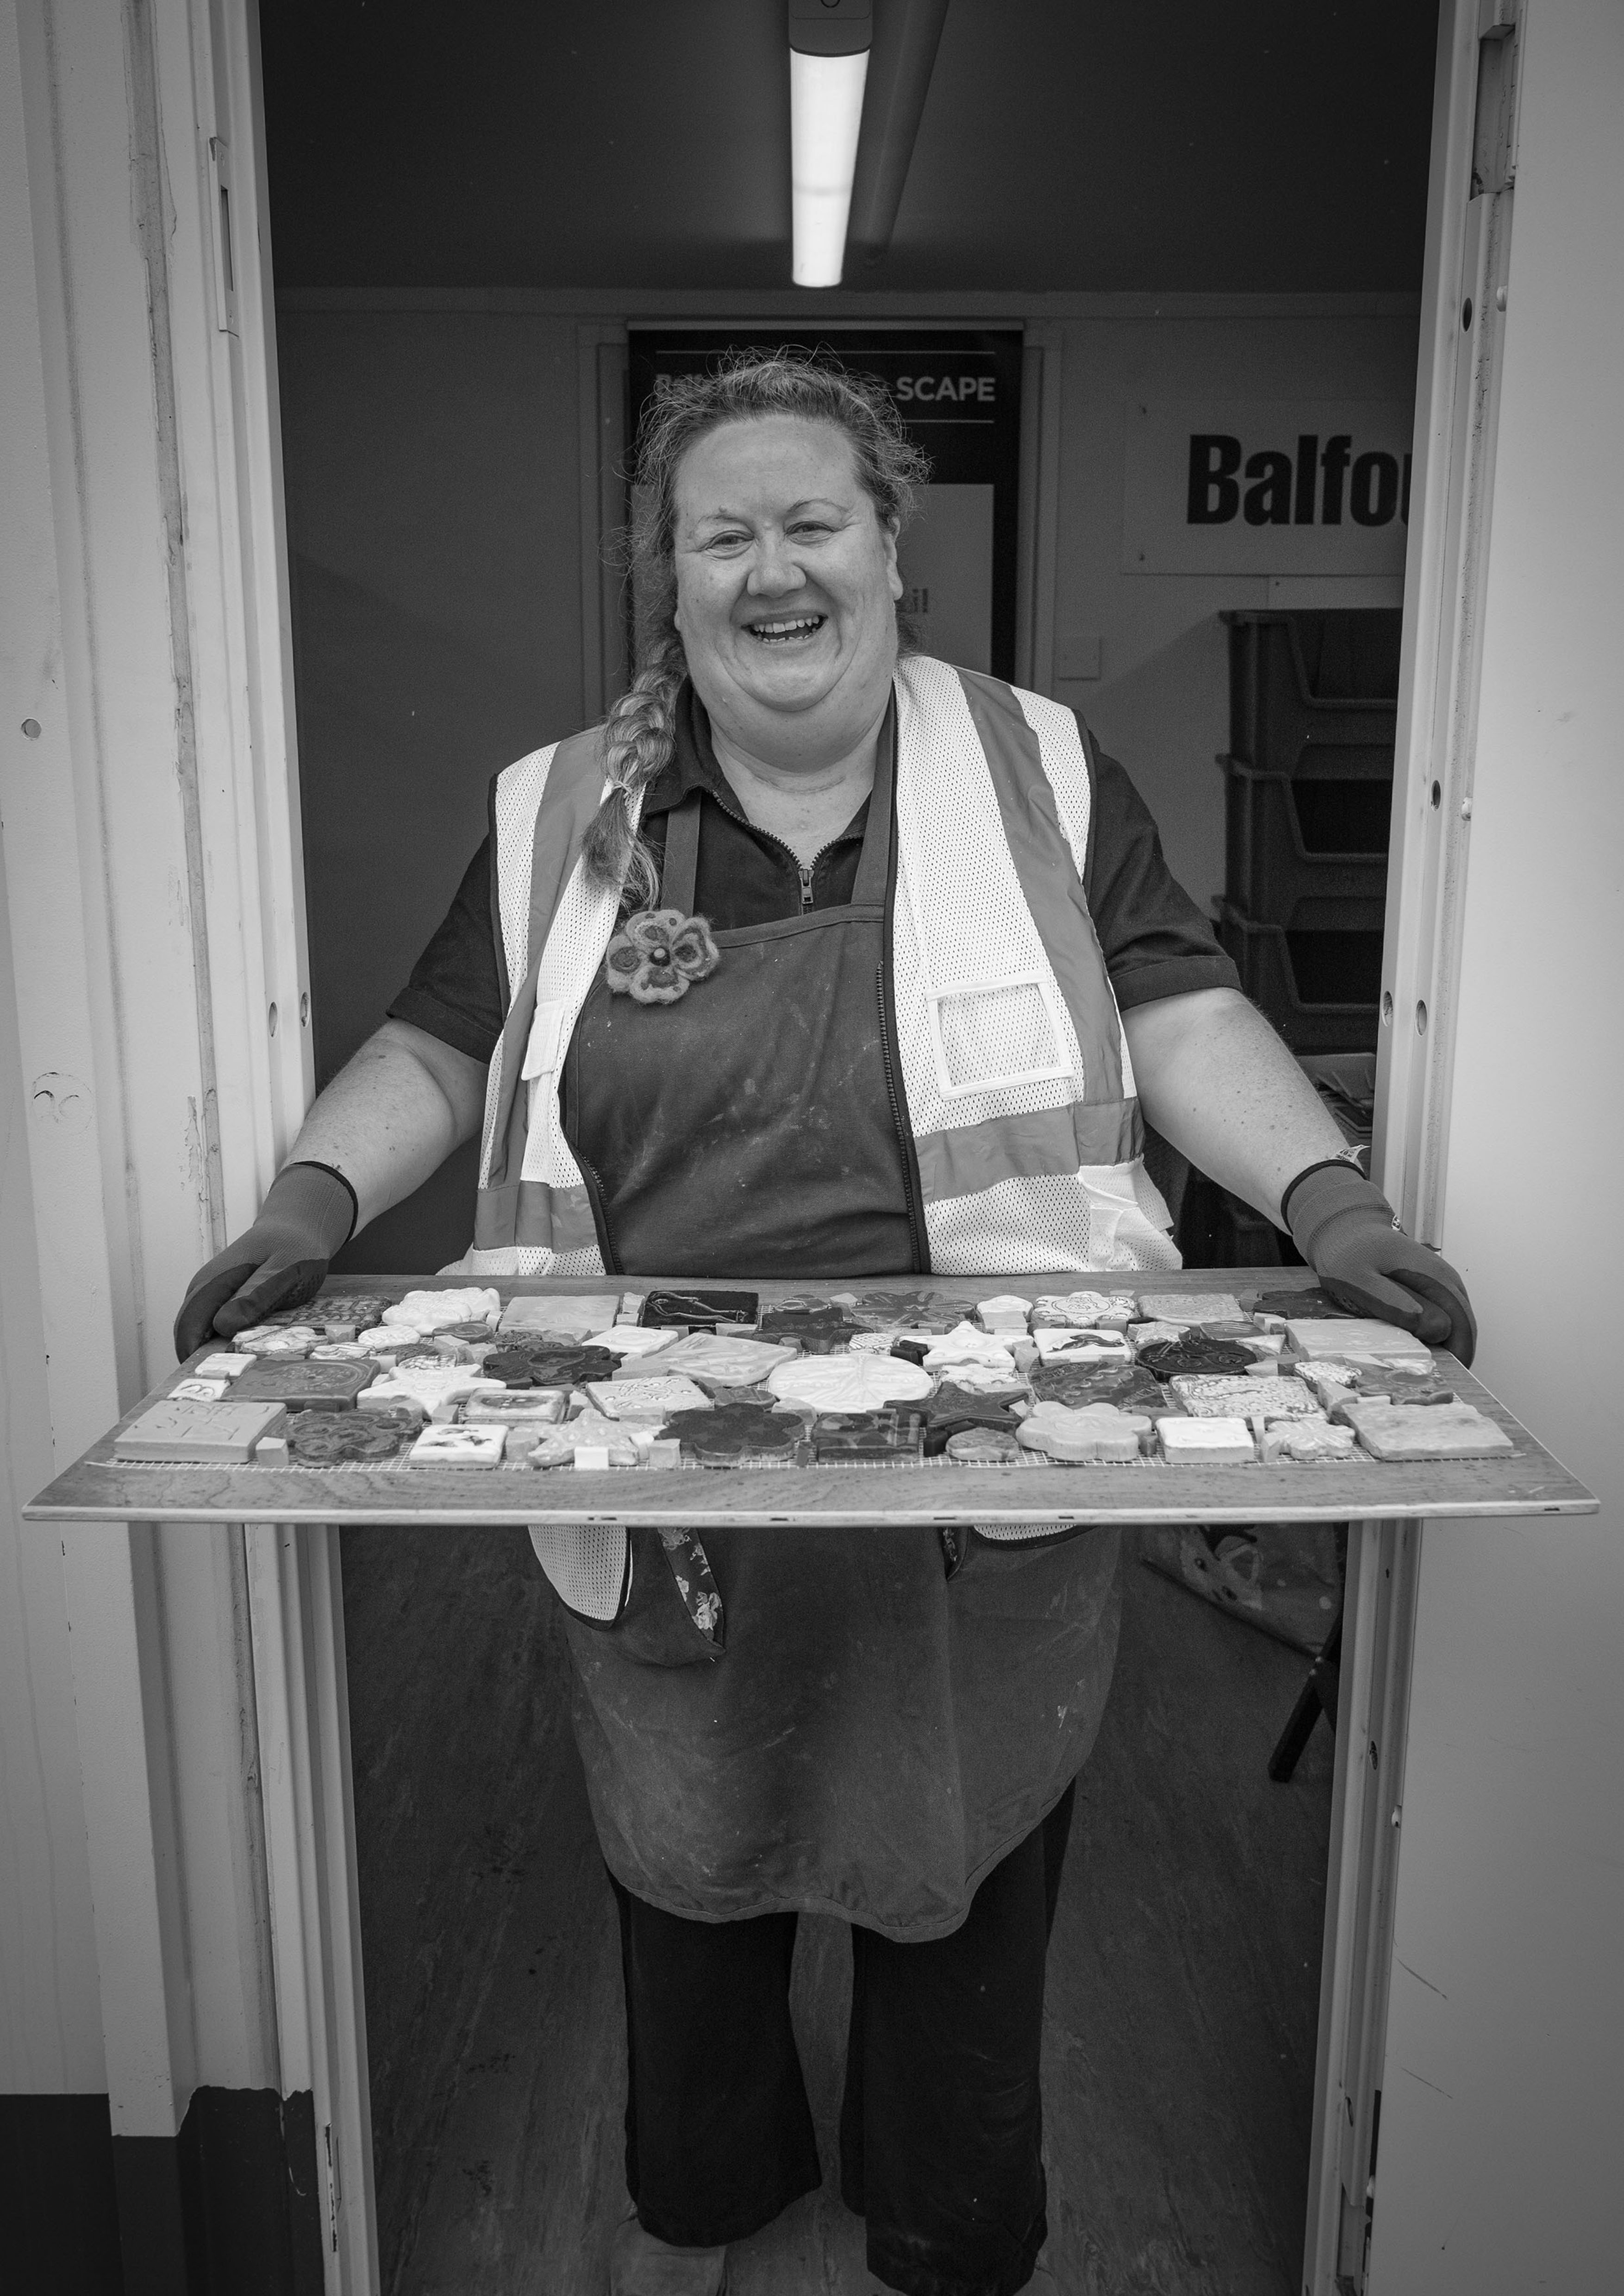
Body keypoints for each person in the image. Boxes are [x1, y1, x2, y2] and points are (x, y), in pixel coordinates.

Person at [175, 355, 1474, 2296]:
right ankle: (710, 2186)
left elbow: (1180, 1009)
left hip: (981, 1463)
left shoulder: (1036, 764)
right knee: (690, 1855)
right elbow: (443, 1040)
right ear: (667, 579)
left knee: (964, 1872)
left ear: (890, 551)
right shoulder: (561, 812)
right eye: (722, 534)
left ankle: (946, 2208)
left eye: (810, 523)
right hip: (658, 1451)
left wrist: (1328, 1196)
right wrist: (311, 1197)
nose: (770, 570)